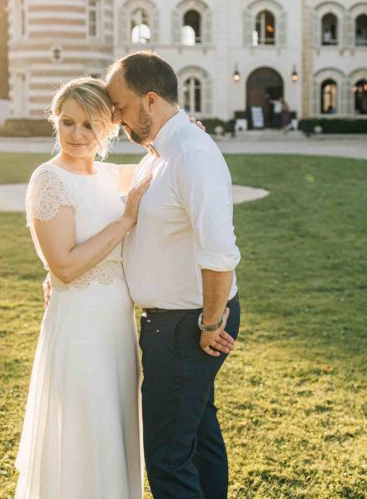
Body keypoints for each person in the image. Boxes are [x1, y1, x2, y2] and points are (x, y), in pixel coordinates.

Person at [106, 52, 241, 499]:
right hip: (176, 322)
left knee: (167, 455)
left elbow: (219, 253)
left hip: (189, 324)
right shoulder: (160, 152)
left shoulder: (191, 153)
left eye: (121, 107)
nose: (117, 119)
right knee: (198, 438)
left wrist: (210, 322)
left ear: (150, 100)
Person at [15, 76, 152, 498]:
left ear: (109, 126)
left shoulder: (112, 176)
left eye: (89, 124)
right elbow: (65, 266)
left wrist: (187, 130)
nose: (76, 134)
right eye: (67, 122)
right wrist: (125, 221)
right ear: (55, 120)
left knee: (114, 423)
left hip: (116, 324)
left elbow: (164, 163)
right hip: (79, 325)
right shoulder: (48, 179)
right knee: (83, 427)